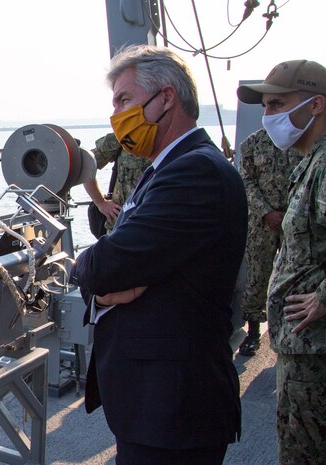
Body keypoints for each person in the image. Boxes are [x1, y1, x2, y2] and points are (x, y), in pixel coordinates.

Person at [72, 45, 247, 465]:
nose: (117, 115)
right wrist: (109, 285)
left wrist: (91, 272)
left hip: (174, 407)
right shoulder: (164, 169)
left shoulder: (194, 171)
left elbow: (106, 264)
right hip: (156, 404)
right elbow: (120, 262)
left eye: (124, 100)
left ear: (165, 98)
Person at [237, 59, 326, 465]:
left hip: (315, 349)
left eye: (277, 104)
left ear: (315, 105)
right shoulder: (310, 159)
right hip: (300, 345)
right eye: (266, 106)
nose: (269, 114)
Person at [237, 129, 301, 356]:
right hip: (261, 224)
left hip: (295, 222)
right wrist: (266, 212)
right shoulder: (252, 143)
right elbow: (245, 181)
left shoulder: (301, 140)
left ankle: (291, 330)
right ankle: (253, 333)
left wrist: (291, 213)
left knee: (295, 276)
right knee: (257, 277)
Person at [83, 132, 151, 235]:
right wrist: (101, 203)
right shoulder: (123, 135)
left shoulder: (177, 137)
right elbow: (86, 166)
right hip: (122, 227)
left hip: (160, 225)